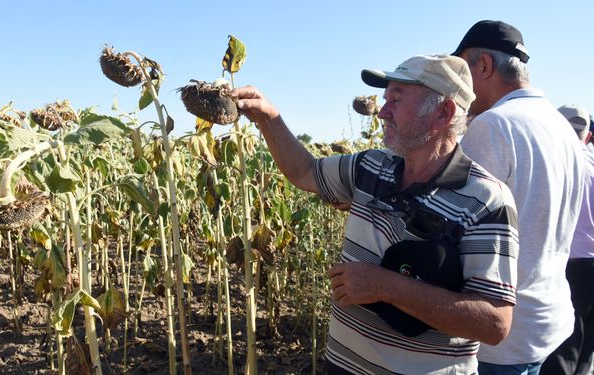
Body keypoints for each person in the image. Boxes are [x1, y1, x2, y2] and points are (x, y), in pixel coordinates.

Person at [232, 54, 519, 374]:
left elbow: (495, 322)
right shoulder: (371, 166)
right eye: (385, 100)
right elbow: (304, 172)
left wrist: (387, 287)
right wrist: (267, 117)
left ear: (443, 112)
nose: (382, 112)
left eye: (396, 100)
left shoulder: (486, 201)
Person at [451, 20, 585, 375]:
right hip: (547, 318)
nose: (459, 87)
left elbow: (454, 223)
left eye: (462, 70)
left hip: (502, 337)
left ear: (483, 66)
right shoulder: (561, 127)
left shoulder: (494, 125)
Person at [540, 105, 594, 375]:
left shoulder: (554, 161)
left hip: (566, 262)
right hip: (589, 262)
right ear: (588, 136)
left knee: (562, 346)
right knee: (586, 348)